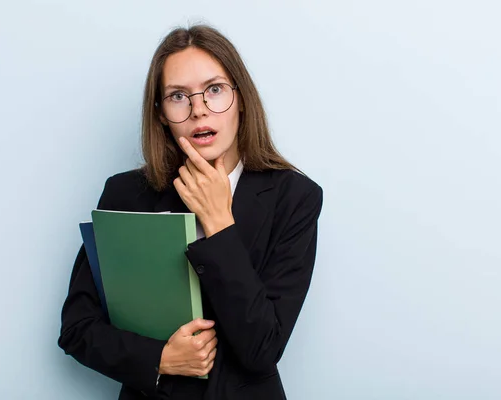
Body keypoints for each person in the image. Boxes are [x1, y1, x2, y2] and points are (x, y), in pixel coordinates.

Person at [58, 24, 323, 400]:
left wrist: (219, 224)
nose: (199, 109)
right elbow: (77, 328)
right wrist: (161, 357)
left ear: (241, 98)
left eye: (214, 90)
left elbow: (262, 348)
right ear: (162, 114)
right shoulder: (124, 194)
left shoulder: (295, 197)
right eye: (178, 96)